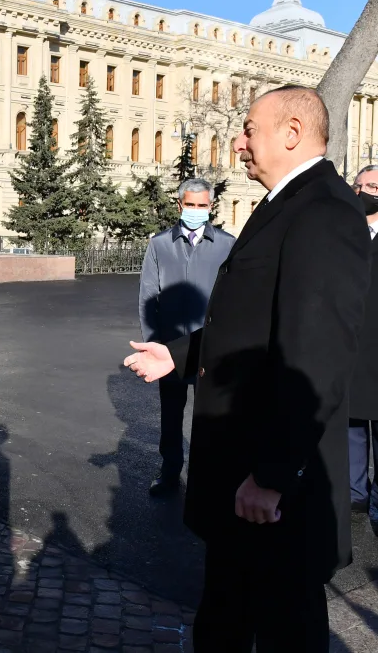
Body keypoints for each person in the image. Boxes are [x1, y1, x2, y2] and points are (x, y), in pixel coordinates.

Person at [123, 86, 369, 652]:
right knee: (229, 617)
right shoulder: (288, 205)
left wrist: (275, 475)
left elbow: (316, 354)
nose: (239, 142)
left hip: (271, 491)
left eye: (250, 129)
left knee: (284, 628)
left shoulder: (325, 212)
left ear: (291, 132)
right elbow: (253, 323)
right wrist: (179, 355)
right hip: (246, 481)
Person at [138, 178, 235, 496]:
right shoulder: (160, 244)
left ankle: (210, 477)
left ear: (210, 207)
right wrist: (153, 345)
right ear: (179, 206)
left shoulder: (227, 245)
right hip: (169, 348)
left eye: (202, 205)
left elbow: (236, 299)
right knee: (171, 416)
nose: (196, 211)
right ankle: (169, 473)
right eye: (190, 205)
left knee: (211, 417)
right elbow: (148, 297)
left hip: (211, 348)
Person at [348, 164, 378, 528]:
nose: (367, 192)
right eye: (361, 186)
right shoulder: (345, 234)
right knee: (351, 428)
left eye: (373, 186)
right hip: (352, 349)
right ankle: (354, 494)